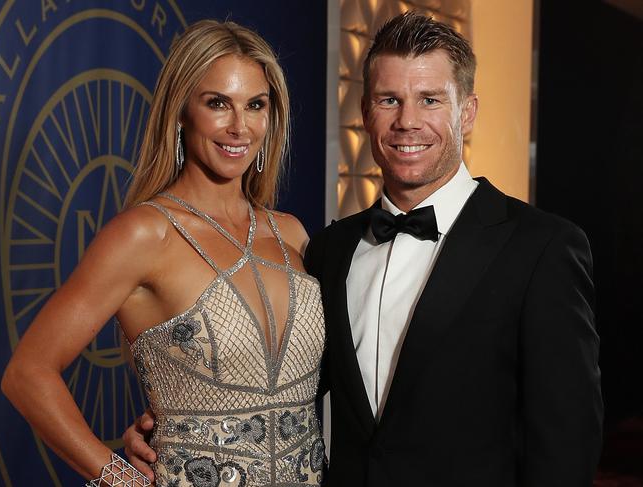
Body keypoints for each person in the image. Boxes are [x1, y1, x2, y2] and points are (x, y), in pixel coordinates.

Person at [124, 12, 603, 487]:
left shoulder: (543, 247)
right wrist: (171, 424)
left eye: (430, 100)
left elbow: (565, 446)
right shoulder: (328, 249)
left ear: (468, 112)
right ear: (365, 112)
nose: (407, 122)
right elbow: (283, 380)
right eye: (389, 100)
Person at [2, 20, 326, 486]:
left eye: (255, 105)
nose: (239, 127)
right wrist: (121, 478)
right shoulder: (143, 234)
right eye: (218, 103)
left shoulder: (291, 234)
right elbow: (27, 373)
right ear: (181, 112)